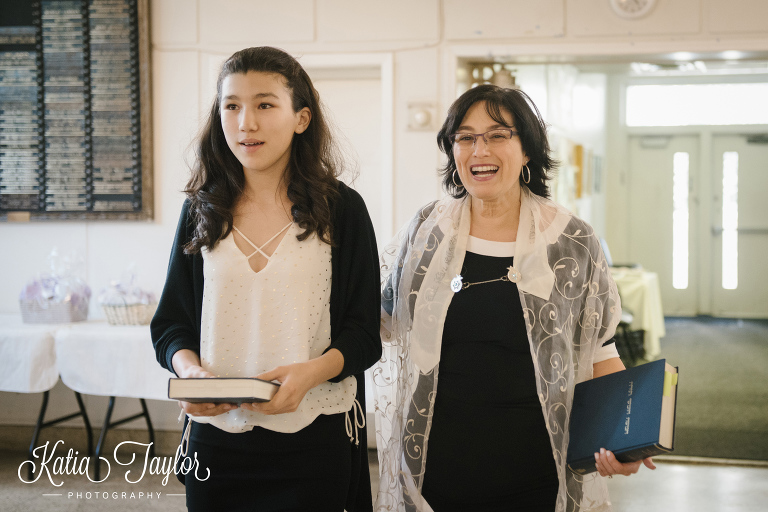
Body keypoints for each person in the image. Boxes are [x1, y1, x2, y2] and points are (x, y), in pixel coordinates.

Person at [373, 84, 655, 512]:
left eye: (498, 134)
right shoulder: (427, 231)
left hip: (536, 464)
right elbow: (382, 321)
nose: (479, 149)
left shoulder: (571, 241)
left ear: (527, 150)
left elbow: (599, 347)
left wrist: (625, 439)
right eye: (465, 137)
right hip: (437, 462)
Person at [151, 46, 381, 512]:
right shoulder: (201, 210)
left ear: (301, 118)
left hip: (315, 434)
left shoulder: (342, 209)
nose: (245, 123)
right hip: (217, 441)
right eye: (231, 106)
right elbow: (171, 325)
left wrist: (311, 373)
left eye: (264, 104)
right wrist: (190, 372)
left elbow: (363, 333)